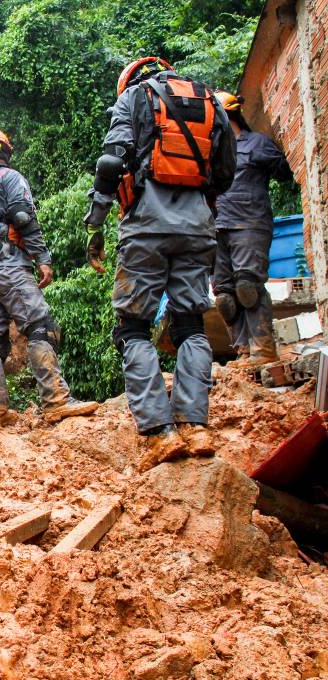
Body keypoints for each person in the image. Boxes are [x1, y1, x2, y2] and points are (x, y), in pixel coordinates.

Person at [83, 57, 236, 470]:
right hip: (198, 227)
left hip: (145, 226)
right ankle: (196, 425)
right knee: (190, 323)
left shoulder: (135, 97)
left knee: (132, 326)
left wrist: (96, 222)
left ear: (129, 81)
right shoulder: (210, 101)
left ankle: (159, 432)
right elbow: (225, 171)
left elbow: (112, 162)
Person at [0, 127, 99, 427]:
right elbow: (23, 218)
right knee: (41, 326)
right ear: (4, 152)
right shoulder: (10, 177)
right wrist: (42, 259)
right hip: (5, 262)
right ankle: (56, 401)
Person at [212, 90, 293, 368]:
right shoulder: (210, 155)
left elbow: (285, 172)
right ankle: (244, 351)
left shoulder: (256, 143)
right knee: (224, 295)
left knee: (248, 286)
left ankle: (264, 349)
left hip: (249, 223)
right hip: (217, 228)